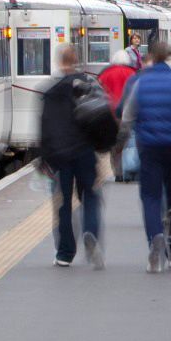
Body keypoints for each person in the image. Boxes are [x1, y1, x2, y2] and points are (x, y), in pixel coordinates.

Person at [117, 41, 171, 273]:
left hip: (150, 149)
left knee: (151, 197)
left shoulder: (140, 81)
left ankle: (155, 238)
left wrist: (122, 141)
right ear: (169, 58)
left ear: (152, 57)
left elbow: (127, 116)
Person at [39, 46, 103, 269]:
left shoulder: (51, 91)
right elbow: (101, 118)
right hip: (85, 152)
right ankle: (91, 234)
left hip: (60, 156)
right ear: (77, 61)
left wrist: (44, 159)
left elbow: (44, 128)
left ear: (60, 63)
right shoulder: (90, 86)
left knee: (63, 205)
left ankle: (65, 253)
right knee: (91, 197)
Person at [99, 49, 137, 180]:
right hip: (128, 114)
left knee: (114, 146)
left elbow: (99, 93)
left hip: (110, 115)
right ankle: (129, 169)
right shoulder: (132, 73)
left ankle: (118, 173)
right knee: (129, 142)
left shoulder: (105, 74)